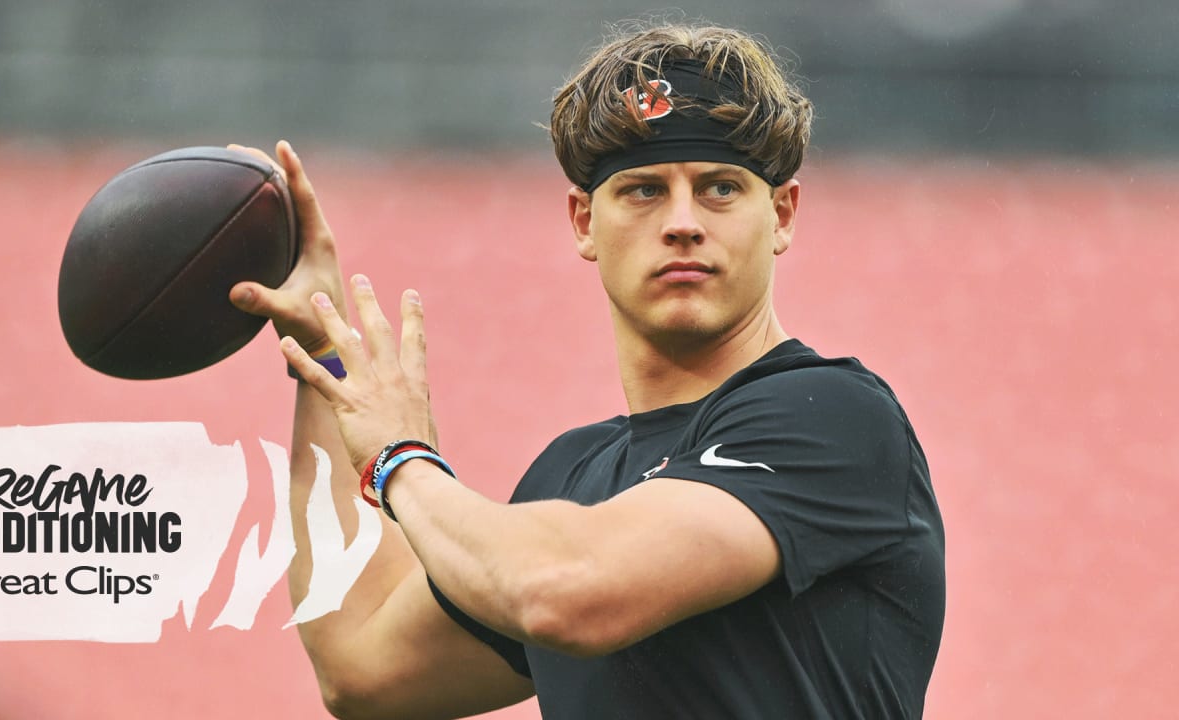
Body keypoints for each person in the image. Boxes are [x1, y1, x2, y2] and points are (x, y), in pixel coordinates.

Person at [230, 20, 945, 720]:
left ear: (783, 214)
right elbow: (362, 669)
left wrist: (399, 460)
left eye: (721, 187)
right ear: (582, 222)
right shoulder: (572, 478)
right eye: (642, 190)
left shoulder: (831, 416)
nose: (683, 221)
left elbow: (566, 590)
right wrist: (322, 356)